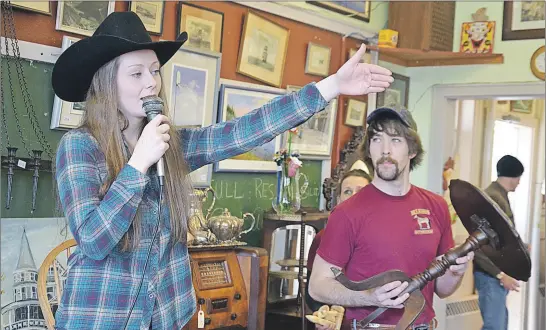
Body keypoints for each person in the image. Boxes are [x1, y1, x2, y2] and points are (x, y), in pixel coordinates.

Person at [51, 11, 394, 330]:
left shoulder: (172, 145)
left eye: (155, 71)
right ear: (107, 82)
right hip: (99, 318)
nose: (151, 83)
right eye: (136, 73)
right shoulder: (80, 146)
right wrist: (137, 164)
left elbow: (245, 130)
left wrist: (331, 86)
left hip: (168, 317)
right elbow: (94, 241)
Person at [308, 104, 474, 330]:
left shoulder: (436, 206)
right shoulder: (347, 212)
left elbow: (442, 290)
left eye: (395, 140)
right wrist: (369, 297)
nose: (385, 150)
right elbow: (317, 285)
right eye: (376, 140)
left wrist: (456, 273)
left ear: (412, 149)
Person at [306, 169, 373, 315]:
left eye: (361, 191)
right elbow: (312, 294)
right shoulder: (323, 237)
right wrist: (323, 314)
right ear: (338, 200)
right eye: (347, 191)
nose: (354, 196)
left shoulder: (382, 238)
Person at [473, 155, 524, 330]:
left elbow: (501, 237)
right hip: (490, 276)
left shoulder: (498, 195)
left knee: (499, 325)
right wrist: (501, 274)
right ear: (514, 177)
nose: (519, 183)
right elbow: (479, 245)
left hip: (494, 276)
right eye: (519, 178)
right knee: (494, 327)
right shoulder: (494, 198)